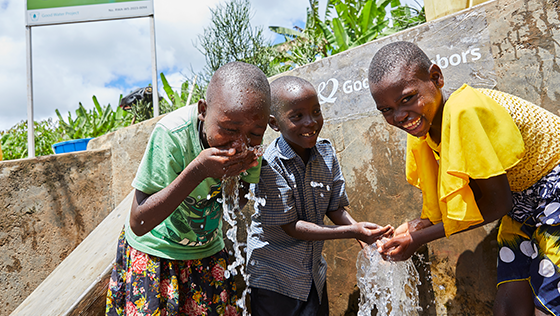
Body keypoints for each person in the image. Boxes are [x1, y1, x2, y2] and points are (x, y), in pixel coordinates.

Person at [368, 41, 560, 316]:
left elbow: (496, 204)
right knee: (508, 302)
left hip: (553, 187)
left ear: (436, 78)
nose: (399, 116)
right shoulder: (424, 131)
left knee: (549, 306)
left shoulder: (463, 111)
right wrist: (415, 228)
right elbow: (470, 196)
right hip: (524, 199)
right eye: (386, 110)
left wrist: (420, 239)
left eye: (407, 98)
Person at [106, 61, 271, 316]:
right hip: (155, 254)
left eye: (255, 133)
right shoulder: (172, 135)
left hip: (206, 255)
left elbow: (235, 204)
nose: (240, 142)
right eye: (229, 129)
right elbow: (139, 222)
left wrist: (234, 175)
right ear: (203, 110)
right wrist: (198, 171)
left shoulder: (251, 149)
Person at [246, 75, 393, 316]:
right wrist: (354, 232)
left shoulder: (325, 152)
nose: (311, 122)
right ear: (274, 123)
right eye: (297, 116)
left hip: (312, 274)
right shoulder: (269, 165)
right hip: (274, 278)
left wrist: (363, 238)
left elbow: (334, 207)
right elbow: (291, 226)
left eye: (316, 111)